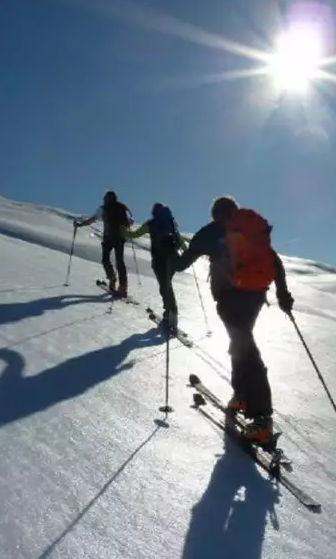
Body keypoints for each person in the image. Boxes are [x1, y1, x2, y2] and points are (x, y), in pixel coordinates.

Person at [172, 195, 294, 444]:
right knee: (239, 343)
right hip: (256, 296)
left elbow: (181, 264)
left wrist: (167, 252)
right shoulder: (250, 230)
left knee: (245, 348)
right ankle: (241, 395)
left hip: (230, 299)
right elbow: (275, 261)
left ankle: (261, 419)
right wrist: (283, 294)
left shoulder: (210, 232)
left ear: (214, 214)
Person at [125, 202, 186, 330]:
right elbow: (179, 239)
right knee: (167, 284)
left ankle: (171, 312)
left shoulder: (151, 223)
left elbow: (134, 235)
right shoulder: (171, 222)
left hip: (159, 258)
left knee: (164, 285)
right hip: (173, 257)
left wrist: (122, 230)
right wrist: (187, 251)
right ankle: (170, 312)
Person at [74, 190, 133, 297]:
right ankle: (123, 288)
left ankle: (112, 278)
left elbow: (92, 219)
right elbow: (131, 221)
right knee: (120, 262)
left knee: (105, 260)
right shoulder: (122, 208)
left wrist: (81, 224)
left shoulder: (103, 208)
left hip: (108, 238)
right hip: (120, 238)